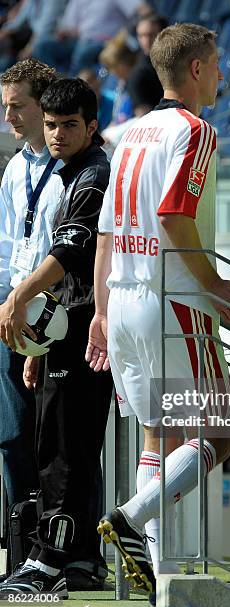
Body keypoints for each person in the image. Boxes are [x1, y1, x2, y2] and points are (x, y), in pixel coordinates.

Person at [85, 22, 230, 601]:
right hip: (174, 300)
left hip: (124, 300)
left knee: (155, 436)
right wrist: (217, 289)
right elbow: (175, 215)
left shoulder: (127, 134)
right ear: (198, 69)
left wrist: (100, 314)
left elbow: (106, 233)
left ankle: (159, 579)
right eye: (218, 63)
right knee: (220, 434)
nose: (225, 74)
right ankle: (130, 518)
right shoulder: (195, 131)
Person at [0, 78, 113, 598]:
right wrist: (36, 344)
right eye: (52, 125)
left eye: (70, 125)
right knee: (61, 444)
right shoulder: (68, 170)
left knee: (63, 449)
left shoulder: (92, 175)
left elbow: (68, 252)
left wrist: (19, 296)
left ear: (92, 126)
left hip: (85, 325)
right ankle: (81, 560)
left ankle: (48, 562)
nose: (59, 134)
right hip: (61, 330)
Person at [0, 59, 61, 509]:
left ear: (44, 106)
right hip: (11, 308)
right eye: (6, 107)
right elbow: (6, 246)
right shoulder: (15, 169)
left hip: (57, 310)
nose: (8, 118)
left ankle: (69, 544)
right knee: (13, 431)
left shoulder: (73, 168)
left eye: (17, 106)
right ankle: (24, 536)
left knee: (59, 434)